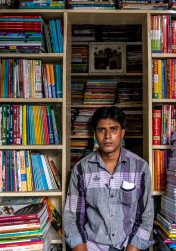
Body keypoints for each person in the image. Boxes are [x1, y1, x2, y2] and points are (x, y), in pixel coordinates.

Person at [63, 106, 154, 251]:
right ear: (95, 134)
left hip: (129, 246)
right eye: (101, 130)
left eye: (113, 129)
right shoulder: (81, 170)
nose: (107, 136)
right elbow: (72, 219)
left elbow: (146, 217)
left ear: (122, 133)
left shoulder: (140, 168)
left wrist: (132, 248)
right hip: (92, 246)